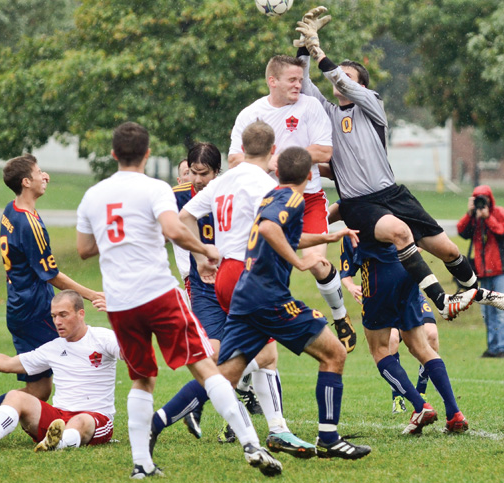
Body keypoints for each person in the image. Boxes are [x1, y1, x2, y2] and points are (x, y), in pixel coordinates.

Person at [76, 122, 281, 478]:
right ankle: (250, 441)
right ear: (147, 154)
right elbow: (174, 228)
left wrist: (113, 239)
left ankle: (141, 463)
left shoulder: (93, 195)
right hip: (158, 293)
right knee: (203, 364)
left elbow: (83, 249)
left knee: (141, 378)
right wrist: (204, 250)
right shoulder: (155, 188)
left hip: (121, 303)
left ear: (112, 154)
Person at [144, 146, 371, 460]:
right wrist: (300, 263)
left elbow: (275, 230)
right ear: (309, 176)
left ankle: (158, 419)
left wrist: (325, 237)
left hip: (245, 293)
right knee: (334, 353)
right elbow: (268, 229)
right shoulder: (288, 198)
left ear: (279, 171)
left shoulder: (269, 197)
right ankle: (328, 439)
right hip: (268, 297)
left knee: (226, 374)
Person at [294, 8, 504, 323]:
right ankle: (442, 301)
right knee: (400, 233)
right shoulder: (327, 113)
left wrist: (322, 55)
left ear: (361, 86)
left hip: (394, 195)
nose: (339, 79)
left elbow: (342, 81)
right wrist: (304, 46)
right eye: (338, 74)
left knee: (449, 250)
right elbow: (303, 83)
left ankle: (477, 292)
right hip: (359, 205)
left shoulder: (372, 105)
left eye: (347, 76)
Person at [162, 124, 314, 456]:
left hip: (225, 276)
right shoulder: (259, 184)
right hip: (239, 275)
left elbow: (186, 218)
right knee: (249, 357)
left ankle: (243, 426)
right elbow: (274, 228)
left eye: (203, 173)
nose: (198, 179)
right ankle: (274, 431)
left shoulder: (225, 182)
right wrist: (202, 253)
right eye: (193, 173)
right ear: (273, 151)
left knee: (242, 359)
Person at [0, 154, 105, 446]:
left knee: (38, 385)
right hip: (36, 311)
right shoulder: (28, 223)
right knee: (42, 380)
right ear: (26, 182)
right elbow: (51, 275)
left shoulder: (12, 210)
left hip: (20, 306)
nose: (44, 176)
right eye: (38, 172)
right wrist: (91, 294)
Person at [228, 55, 357, 353]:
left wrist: (284, 160)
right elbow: (234, 158)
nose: (299, 85)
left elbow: (324, 151)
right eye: (292, 80)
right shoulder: (251, 114)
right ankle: (256, 330)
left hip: (307, 199)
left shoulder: (310, 106)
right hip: (265, 203)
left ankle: (339, 316)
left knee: (316, 262)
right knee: (261, 270)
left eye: (300, 79)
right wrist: (265, 161)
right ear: (272, 81)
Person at [334, 206, 468, 434]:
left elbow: (327, 216)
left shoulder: (352, 203)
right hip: (409, 271)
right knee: (420, 346)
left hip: (378, 276)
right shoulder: (394, 198)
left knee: (379, 350)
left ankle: (420, 406)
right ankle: (454, 413)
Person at [0, 291, 118, 452]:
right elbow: (7, 363)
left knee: (80, 421)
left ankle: (59, 443)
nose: (57, 322)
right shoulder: (53, 347)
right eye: (54, 316)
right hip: (58, 418)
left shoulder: (103, 338)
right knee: (17, 396)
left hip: (95, 419)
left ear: (81, 314)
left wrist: (121, 320)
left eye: (63, 315)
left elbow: (132, 354)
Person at [457, 185, 504, 358]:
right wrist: (470, 214)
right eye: (477, 199)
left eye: (484, 198)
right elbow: (461, 231)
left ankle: (503, 348)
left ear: (490, 199)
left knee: (502, 308)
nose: (482, 202)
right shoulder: (474, 218)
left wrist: (488, 218)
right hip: (483, 271)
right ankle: (493, 347)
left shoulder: (499, 212)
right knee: (488, 312)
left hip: (500, 269)